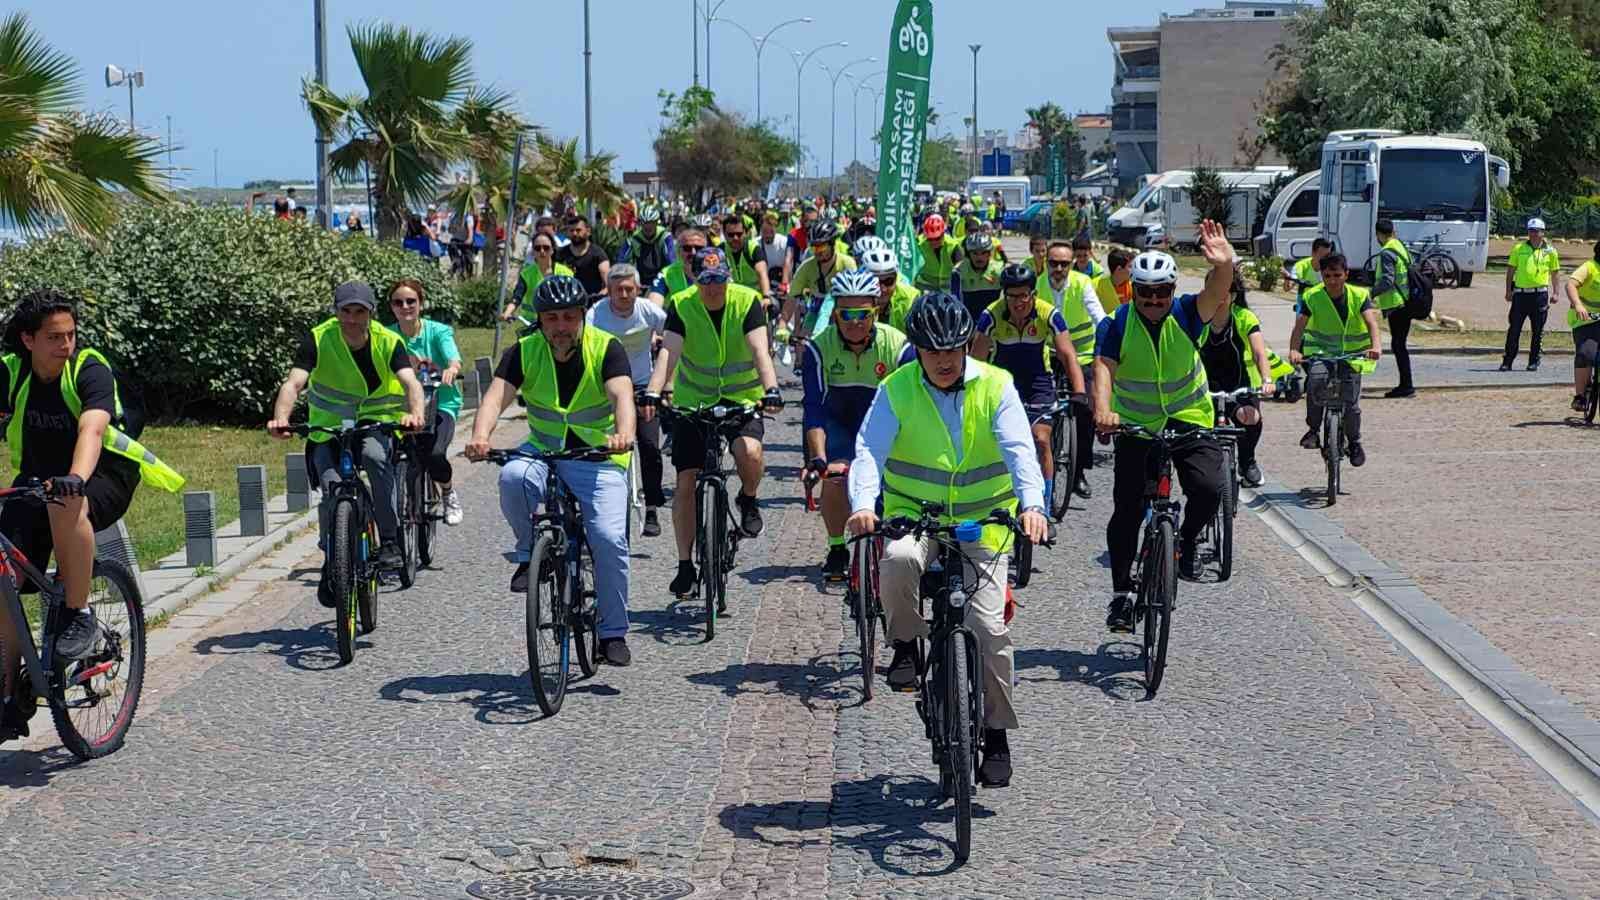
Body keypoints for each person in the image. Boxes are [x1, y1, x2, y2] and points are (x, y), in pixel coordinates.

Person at [846, 292, 1048, 788]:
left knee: (989, 631)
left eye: (951, 350)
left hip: (985, 520)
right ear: (917, 349)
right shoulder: (896, 389)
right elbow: (870, 451)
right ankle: (906, 645)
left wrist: (1033, 506)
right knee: (894, 561)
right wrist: (864, 505)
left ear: (966, 347)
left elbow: (1021, 450)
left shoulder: (997, 385)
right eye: (931, 351)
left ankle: (996, 733)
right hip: (914, 516)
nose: (942, 360)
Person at [0, 290, 185, 738]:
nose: (66, 346)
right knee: (4, 575)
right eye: (54, 338)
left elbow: (93, 428)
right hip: (38, 477)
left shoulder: (89, 368)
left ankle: (78, 614)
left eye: (71, 335)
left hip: (103, 474)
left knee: (67, 504)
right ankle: (8, 693)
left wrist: (76, 478)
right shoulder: (9, 372)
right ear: (27, 340)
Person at [465, 276, 637, 667]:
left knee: (609, 539)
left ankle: (612, 632)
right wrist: (480, 435)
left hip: (598, 458)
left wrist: (624, 433)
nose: (561, 327)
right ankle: (530, 554)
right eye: (552, 318)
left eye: (569, 318)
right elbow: (496, 397)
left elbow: (621, 394)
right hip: (544, 450)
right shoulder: (523, 351)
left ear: (582, 317)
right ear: (540, 321)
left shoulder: (606, 348)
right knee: (512, 476)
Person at [1093, 224, 1235, 632]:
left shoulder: (1189, 313)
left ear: (1173, 290)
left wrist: (1224, 264)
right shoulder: (1116, 325)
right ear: (1133, 291)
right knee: (1128, 512)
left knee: (1210, 489)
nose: (1154, 301)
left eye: (1162, 292)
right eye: (1146, 293)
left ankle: (1187, 541)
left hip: (1189, 418)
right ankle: (1121, 595)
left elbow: (1216, 291)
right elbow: (1103, 368)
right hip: (1137, 427)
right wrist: (1103, 409)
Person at [267, 282, 427, 604]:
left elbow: (410, 382)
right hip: (327, 427)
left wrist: (415, 414)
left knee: (374, 456)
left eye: (360, 312)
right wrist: (280, 418)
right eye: (346, 312)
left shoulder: (388, 340)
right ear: (336, 312)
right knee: (330, 488)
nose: (352, 319)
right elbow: (294, 382)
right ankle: (333, 559)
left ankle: (391, 539)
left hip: (375, 420)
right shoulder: (318, 338)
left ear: (370, 313)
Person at [643, 247, 784, 602]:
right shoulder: (683, 304)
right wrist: (652, 392)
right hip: (695, 402)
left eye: (719, 281)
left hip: (743, 400)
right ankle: (685, 565)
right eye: (706, 282)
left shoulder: (746, 301)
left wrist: (771, 389)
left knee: (749, 452)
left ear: (728, 278)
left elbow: (759, 351)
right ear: (695, 279)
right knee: (687, 480)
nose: (713, 289)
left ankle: (748, 499)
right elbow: (668, 354)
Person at [802, 269, 913, 579]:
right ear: (835, 313)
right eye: (846, 313)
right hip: (838, 423)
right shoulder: (817, 348)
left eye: (862, 314)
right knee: (835, 477)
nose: (854, 322)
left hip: (885, 422)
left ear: (875, 311)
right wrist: (818, 459)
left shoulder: (898, 346)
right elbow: (813, 409)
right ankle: (837, 548)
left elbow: (913, 404)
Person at [972, 265, 1086, 539]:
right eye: (1012, 296)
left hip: (1038, 382)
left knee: (1041, 439)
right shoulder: (991, 315)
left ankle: (1043, 510)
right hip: (1003, 381)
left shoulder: (1049, 314)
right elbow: (975, 361)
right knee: (997, 443)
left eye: (1024, 296)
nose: (1018, 302)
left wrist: (1080, 392)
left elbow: (1067, 354)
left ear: (1033, 294)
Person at [588, 264, 669, 536]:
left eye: (629, 289)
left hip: (642, 386)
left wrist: (665, 378)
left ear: (638, 290)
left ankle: (652, 508)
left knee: (649, 446)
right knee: (598, 447)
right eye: (618, 289)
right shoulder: (596, 314)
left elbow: (675, 333)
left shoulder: (647, 310)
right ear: (608, 291)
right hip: (605, 386)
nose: (623, 295)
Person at [1287, 253, 1381, 466]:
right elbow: (1299, 326)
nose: (1332, 280)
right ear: (1321, 275)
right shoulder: (1311, 296)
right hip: (1321, 353)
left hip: (1353, 355)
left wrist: (1376, 346)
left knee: (1352, 404)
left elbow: (1371, 323)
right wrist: (1294, 350)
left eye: (1337, 275)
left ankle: (1355, 442)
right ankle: (1313, 430)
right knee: (1315, 384)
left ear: (1346, 274)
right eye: (1327, 275)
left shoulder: (1359, 295)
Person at [386, 278, 466, 527]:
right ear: (392, 307)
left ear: (420, 304)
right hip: (403, 406)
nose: (405, 306)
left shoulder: (438, 331)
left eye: (411, 301)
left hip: (441, 403)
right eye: (399, 302)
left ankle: (448, 491)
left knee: (435, 453)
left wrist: (451, 369)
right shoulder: (388, 336)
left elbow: (453, 358)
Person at [1201, 271, 1284, 488]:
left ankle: (1247, 462)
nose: (1217, 295)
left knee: (1251, 417)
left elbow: (1259, 352)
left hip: (1237, 384)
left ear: (1233, 295)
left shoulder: (1244, 317)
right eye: (1212, 289)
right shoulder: (1197, 318)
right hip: (1204, 385)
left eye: (1223, 291)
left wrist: (1267, 379)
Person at [1041, 240, 1108, 498]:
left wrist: (1108, 343)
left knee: (1086, 412)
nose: (1058, 269)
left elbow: (1098, 316)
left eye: (1064, 264)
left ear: (1071, 264)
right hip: (1050, 356)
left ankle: (1078, 472)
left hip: (1082, 356)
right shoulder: (1036, 285)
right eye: (1053, 263)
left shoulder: (1082, 283)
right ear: (1046, 263)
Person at [1502, 217, 1561, 373]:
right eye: (1531, 231)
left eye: (1537, 231)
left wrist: (1556, 292)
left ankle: (1533, 361)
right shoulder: (1518, 248)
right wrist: (1508, 290)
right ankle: (1507, 361)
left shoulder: (1551, 251)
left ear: (1543, 232)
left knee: (1538, 331)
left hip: (1540, 295)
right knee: (1514, 329)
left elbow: (1555, 273)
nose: (1534, 234)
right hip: (1521, 295)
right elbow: (1510, 271)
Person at [787, 219, 857, 343]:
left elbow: (855, 298)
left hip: (842, 308)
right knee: (804, 344)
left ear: (832, 244)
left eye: (822, 246)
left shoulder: (848, 263)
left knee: (830, 299)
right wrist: (784, 326)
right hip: (815, 308)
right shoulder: (806, 266)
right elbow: (792, 299)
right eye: (814, 247)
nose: (817, 251)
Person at [1370, 219, 1415, 396]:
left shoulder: (1387, 252)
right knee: (1399, 344)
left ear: (1378, 234)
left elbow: (1387, 280)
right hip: (1405, 301)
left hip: (1397, 304)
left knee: (1398, 345)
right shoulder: (1400, 246)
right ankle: (1406, 384)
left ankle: (1406, 385)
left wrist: (1372, 293)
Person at [504, 234, 576, 322]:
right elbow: (516, 298)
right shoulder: (526, 273)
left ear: (552, 250)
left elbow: (573, 300)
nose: (542, 251)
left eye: (546, 248)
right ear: (533, 252)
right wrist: (507, 313)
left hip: (557, 323)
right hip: (531, 322)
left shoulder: (566, 273)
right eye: (537, 248)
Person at [1565, 242, 1600, 411]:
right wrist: (1578, 305)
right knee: (1586, 354)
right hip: (1586, 319)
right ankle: (1579, 396)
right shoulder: (1589, 267)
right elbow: (1570, 284)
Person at [861, 245, 919, 333]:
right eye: (874, 282)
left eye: (889, 281)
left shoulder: (910, 299)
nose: (882, 289)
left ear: (896, 279)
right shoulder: (853, 300)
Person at [950, 232, 1006, 320]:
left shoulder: (1000, 270)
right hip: (968, 319)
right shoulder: (958, 271)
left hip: (993, 319)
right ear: (969, 254)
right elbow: (956, 301)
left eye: (983, 253)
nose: (979, 257)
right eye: (975, 253)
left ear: (989, 254)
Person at [648, 227, 707, 307]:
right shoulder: (666, 274)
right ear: (678, 251)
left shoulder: (716, 271)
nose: (693, 252)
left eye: (699, 248)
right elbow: (653, 304)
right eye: (687, 248)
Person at [720, 214, 772, 301]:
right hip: (732, 297)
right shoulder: (720, 250)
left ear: (745, 233)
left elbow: (762, 274)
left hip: (754, 297)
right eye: (731, 235)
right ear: (724, 234)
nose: (735, 238)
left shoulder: (753, 249)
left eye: (739, 234)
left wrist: (766, 297)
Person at [555, 215, 611, 296]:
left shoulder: (598, 254)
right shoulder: (560, 254)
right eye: (571, 230)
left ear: (588, 231)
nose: (574, 233)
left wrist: (597, 298)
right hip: (566, 303)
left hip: (590, 303)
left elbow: (608, 284)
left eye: (578, 230)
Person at [621, 206, 672, 290]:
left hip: (662, 280)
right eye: (644, 223)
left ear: (656, 222)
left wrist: (666, 282)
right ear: (640, 224)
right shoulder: (633, 239)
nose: (648, 226)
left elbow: (671, 261)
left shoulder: (665, 236)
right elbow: (621, 262)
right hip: (641, 283)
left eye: (651, 223)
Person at [914, 215, 962, 293]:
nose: (934, 242)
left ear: (943, 233)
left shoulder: (952, 245)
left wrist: (956, 269)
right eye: (930, 239)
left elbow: (961, 264)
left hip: (948, 288)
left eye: (937, 238)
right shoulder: (918, 243)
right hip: (925, 286)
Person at [757, 212, 793, 298]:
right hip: (765, 282)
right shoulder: (755, 244)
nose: (768, 235)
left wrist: (784, 283)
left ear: (775, 229)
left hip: (783, 280)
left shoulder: (784, 241)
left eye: (771, 231)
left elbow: (788, 262)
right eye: (765, 231)